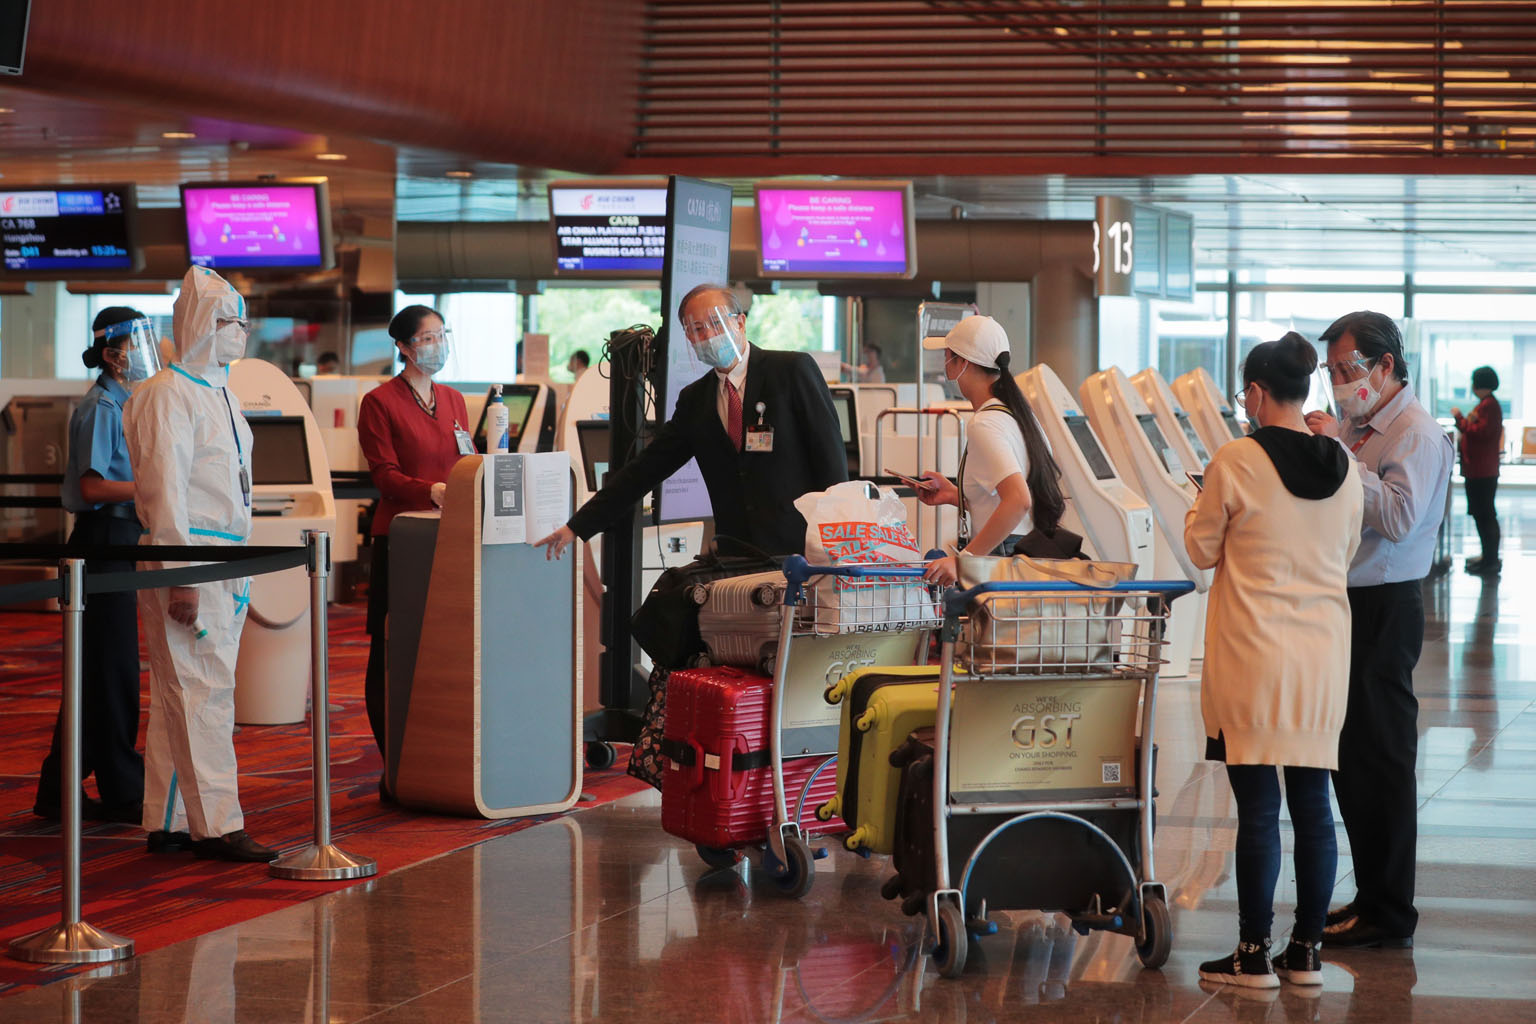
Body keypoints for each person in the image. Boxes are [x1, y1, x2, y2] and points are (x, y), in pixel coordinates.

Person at [1185, 332, 1364, 989]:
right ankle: (1307, 952)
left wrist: (1194, 504)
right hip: (1322, 662)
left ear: (1257, 392)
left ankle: (1252, 955)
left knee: (1259, 810)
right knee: (1315, 807)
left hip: (1253, 658)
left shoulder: (1235, 459)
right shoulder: (1345, 466)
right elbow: (1344, 556)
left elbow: (1203, 550)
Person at [1304, 310, 1453, 950]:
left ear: (1386, 366)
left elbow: (1395, 517)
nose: (1339, 382)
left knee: (1384, 762)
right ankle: (1370, 896)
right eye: (1332, 372)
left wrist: (1338, 456)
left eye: (1348, 369)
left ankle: (1391, 910)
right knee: (1353, 761)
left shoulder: (1414, 434)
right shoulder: (1362, 428)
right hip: (1352, 605)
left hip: (1386, 607)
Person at [123, 267, 276, 863]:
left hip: (225, 559)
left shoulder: (220, 393)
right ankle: (218, 824)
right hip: (190, 557)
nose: (240, 332)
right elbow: (167, 493)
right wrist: (179, 574)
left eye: (242, 321)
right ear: (202, 327)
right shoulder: (167, 393)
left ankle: (168, 818)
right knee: (203, 691)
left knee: (180, 691)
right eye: (229, 322)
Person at [536, 283, 847, 560]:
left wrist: (837, 543)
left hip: (802, 551)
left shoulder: (791, 371)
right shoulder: (695, 400)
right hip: (737, 555)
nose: (707, 336)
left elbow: (830, 459)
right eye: (696, 329)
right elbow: (644, 471)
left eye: (715, 323)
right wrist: (577, 527)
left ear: (740, 322)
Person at [32, 308, 161, 826]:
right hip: (103, 537)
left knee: (98, 671)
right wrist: (154, 487)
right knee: (111, 671)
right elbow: (91, 488)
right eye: (136, 345)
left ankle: (58, 789)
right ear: (112, 354)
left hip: (121, 536)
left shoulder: (130, 403)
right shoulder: (103, 407)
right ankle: (121, 787)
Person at [356, 305, 471, 776]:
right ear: (403, 346)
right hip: (401, 536)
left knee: (444, 644)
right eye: (427, 337)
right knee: (392, 646)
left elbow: (467, 457)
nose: (437, 344)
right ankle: (395, 758)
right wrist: (430, 491)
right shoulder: (380, 402)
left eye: (442, 334)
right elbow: (384, 475)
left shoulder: (455, 399)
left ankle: (436, 750)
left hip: (450, 534)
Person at [912, 316, 1065, 586]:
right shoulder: (1019, 416)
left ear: (963, 364)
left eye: (947, 357)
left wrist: (965, 561)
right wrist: (956, 495)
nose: (946, 367)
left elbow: (1019, 500)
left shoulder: (985, 423)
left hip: (1002, 556)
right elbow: (1015, 500)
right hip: (1030, 555)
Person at [1452, 366, 1502, 575]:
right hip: (1478, 469)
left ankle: (1490, 561)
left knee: (1485, 515)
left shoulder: (1489, 406)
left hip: (1482, 471)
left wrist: (1460, 419)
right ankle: (1487, 557)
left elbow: (1480, 432)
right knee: (1483, 514)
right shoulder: (1486, 404)